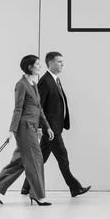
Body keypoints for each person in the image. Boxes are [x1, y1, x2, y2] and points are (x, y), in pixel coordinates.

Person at [20, 51, 91, 198]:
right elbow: (38, 106)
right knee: (62, 157)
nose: (62, 64)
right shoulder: (45, 81)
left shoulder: (55, 80)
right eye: (59, 62)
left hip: (55, 126)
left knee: (42, 158)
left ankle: (26, 187)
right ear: (51, 63)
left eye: (62, 61)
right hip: (50, 128)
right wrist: (42, 127)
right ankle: (74, 187)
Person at [0, 55, 55, 206]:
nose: (40, 67)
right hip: (24, 128)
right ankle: (38, 195)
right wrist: (12, 130)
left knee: (20, 161)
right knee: (36, 160)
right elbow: (18, 108)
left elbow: (39, 109)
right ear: (30, 67)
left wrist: (46, 127)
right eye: (37, 64)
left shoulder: (33, 85)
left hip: (32, 127)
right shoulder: (21, 85)